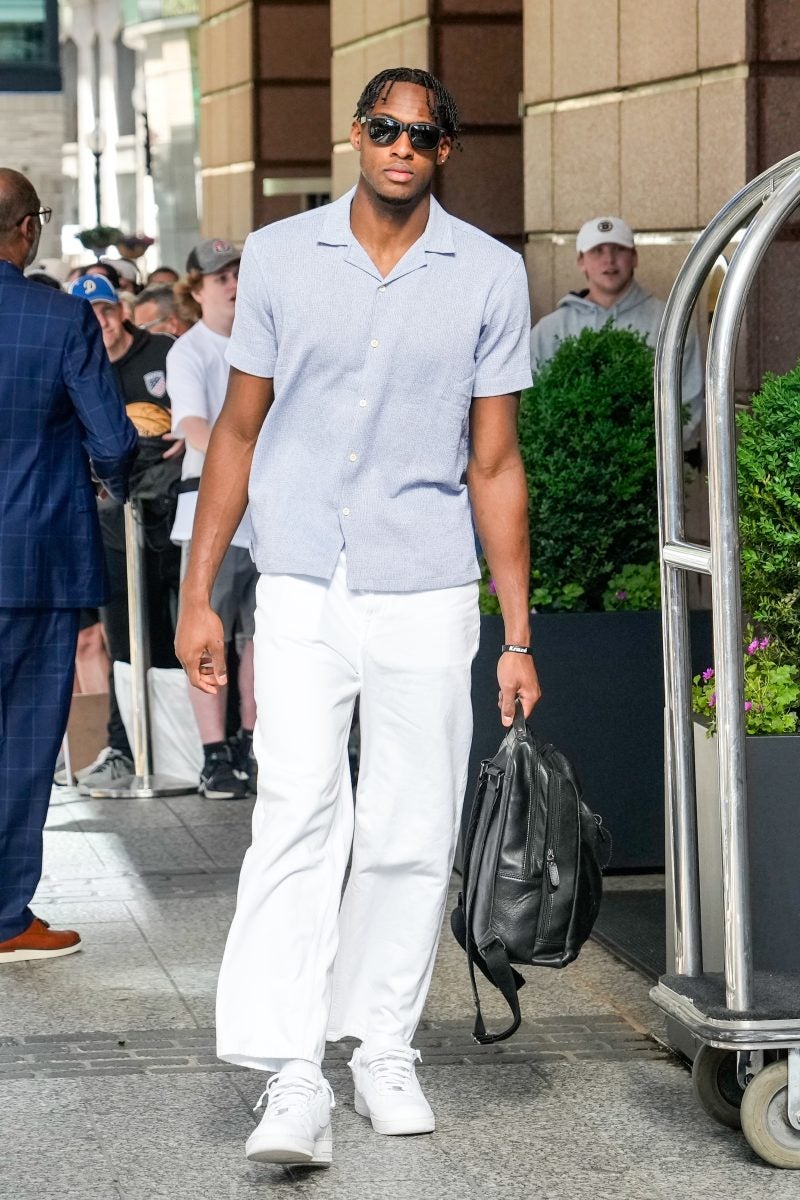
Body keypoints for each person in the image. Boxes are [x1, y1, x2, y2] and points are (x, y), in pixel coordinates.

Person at [175, 66, 540, 1165]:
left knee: (412, 824)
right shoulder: (283, 259)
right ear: (355, 135)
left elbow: (494, 461)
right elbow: (235, 434)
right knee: (295, 811)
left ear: (444, 151)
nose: (400, 146)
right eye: (384, 128)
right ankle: (290, 1074)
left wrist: (516, 635)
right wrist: (199, 592)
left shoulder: (487, 274)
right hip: (296, 575)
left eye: (422, 135)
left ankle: (380, 1042)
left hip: (425, 580)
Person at [0, 168, 137, 962]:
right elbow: (112, 439)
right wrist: (116, 476)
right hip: (35, 566)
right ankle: (7, 916)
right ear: (26, 231)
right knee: (22, 746)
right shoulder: (61, 320)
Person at [67, 273, 183, 795]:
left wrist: (188, 425)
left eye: (108, 310)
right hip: (112, 520)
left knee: (177, 631)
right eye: (91, 314)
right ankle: (123, 742)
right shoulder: (76, 365)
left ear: (123, 310)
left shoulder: (164, 351)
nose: (103, 321)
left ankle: (196, 746)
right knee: (119, 634)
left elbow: (204, 401)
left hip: (174, 512)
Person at [169, 239, 257, 800]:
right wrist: (243, 458)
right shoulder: (190, 351)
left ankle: (252, 743)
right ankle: (213, 755)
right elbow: (191, 426)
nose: (231, 283)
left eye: (237, 273)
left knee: (262, 640)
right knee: (208, 638)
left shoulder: (262, 341)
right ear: (196, 289)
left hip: (270, 513)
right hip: (210, 514)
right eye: (219, 276)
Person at [530, 215, 704, 448]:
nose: (609, 260)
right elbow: (530, 405)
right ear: (581, 261)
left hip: (651, 471)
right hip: (570, 472)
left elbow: (689, 400)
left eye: (618, 249)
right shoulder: (548, 330)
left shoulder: (670, 322)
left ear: (634, 257)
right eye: (597, 251)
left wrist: (649, 454)